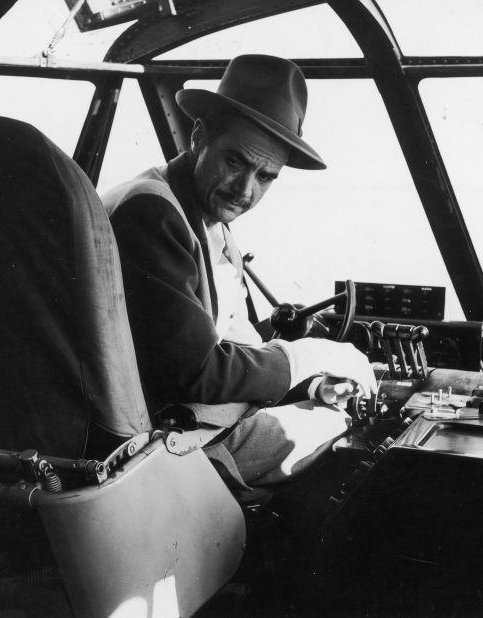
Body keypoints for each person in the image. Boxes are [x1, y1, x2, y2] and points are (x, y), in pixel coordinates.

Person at [103, 54, 375, 488]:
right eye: (235, 162)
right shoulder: (153, 212)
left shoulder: (212, 224)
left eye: (265, 176)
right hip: (154, 448)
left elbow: (239, 343)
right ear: (198, 136)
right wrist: (316, 355)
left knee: (328, 412)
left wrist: (313, 385)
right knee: (343, 432)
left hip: (194, 421)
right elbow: (196, 373)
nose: (245, 190)